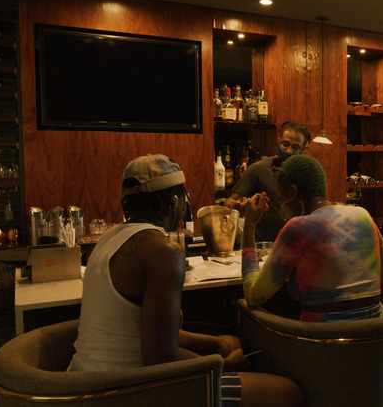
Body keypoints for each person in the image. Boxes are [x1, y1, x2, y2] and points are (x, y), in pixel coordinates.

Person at [69, 154, 302, 407]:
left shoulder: (109, 238)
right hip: (131, 390)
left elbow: (150, 332)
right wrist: (224, 364)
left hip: (83, 382)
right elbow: (160, 357)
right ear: (174, 199)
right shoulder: (164, 251)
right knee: (288, 393)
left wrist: (216, 343)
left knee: (230, 343)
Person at [241, 154, 383, 322]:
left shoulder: (298, 227)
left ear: (293, 192)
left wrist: (249, 224)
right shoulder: (363, 215)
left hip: (321, 343)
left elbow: (253, 295)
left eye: (280, 198)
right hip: (376, 338)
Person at [225, 121, 310, 242]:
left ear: (303, 148)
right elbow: (228, 202)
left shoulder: (307, 173)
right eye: (285, 144)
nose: (288, 151)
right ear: (278, 139)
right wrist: (236, 205)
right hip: (263, 246)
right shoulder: (258, 169)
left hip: (297, 245)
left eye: (295, 147)